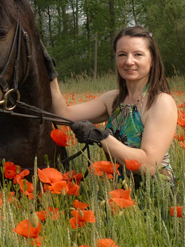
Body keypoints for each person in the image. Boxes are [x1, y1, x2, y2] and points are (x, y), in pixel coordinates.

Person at [49, 26, 177, 185]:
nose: (129, 61)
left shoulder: (160, 102)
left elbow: (150, 165)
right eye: (122, 55)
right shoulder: (112, 100)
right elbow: (63, 115)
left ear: (152, 60)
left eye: (138, 54)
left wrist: (102, 137)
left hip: (156, 197)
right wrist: (51, 77)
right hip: (121, 193)